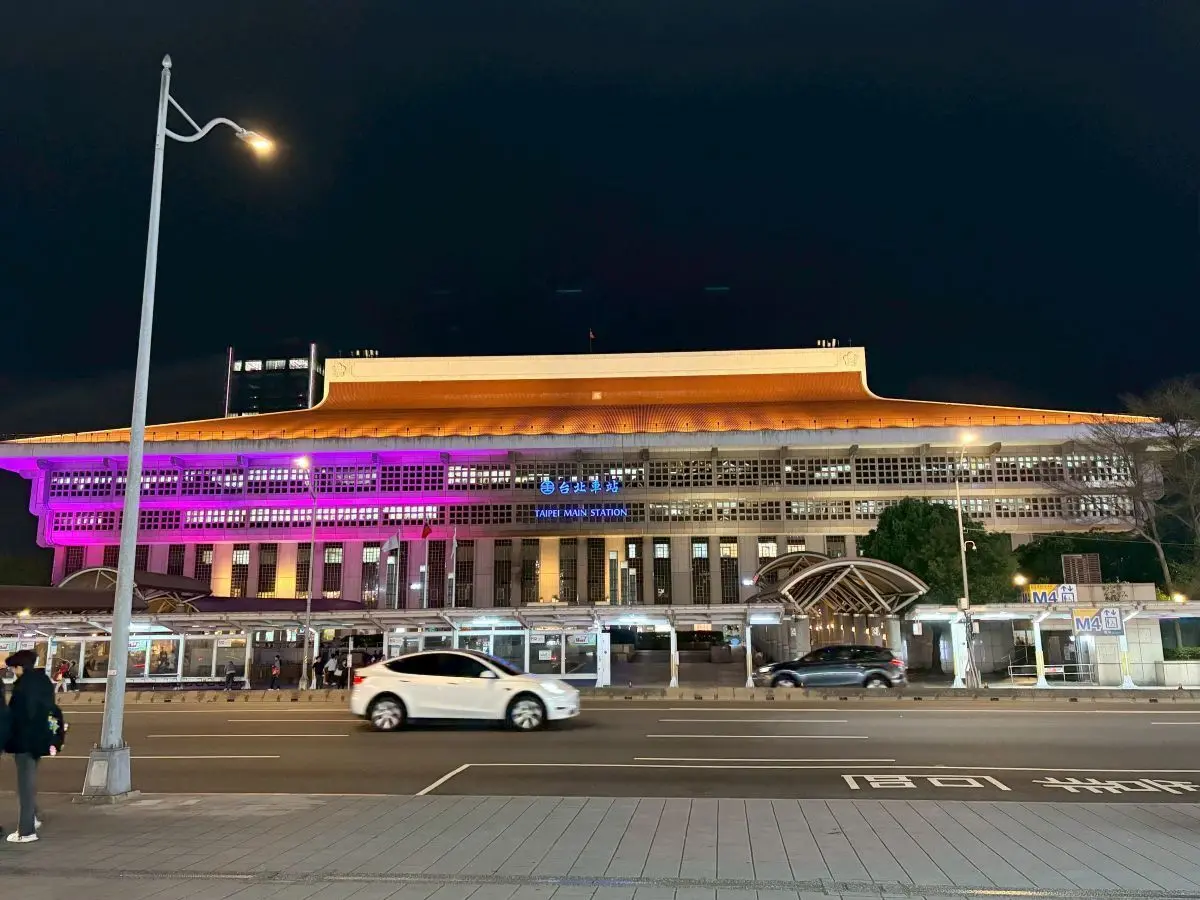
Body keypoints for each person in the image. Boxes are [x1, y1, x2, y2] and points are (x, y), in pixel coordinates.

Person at [4, 649, 59, 844]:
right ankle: (33, 817)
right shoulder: (42, 681)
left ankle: (26, 831)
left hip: (24, 741)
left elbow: (19, 716)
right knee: (27, 782)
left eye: (13, 669)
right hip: (41, 739)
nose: (13, 672)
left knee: (25, 786)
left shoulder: (23, 687)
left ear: (20, 667)